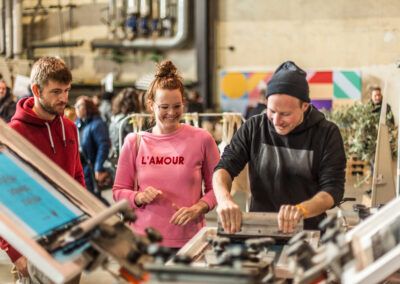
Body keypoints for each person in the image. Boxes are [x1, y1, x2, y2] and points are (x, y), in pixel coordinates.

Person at [213, 61, 346, 234]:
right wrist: (224, 199)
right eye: (272, 111)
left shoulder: (326, 133)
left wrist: (301, 210)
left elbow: (333, 189)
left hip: (308, 231)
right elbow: (224, 167)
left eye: (285, 114)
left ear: (304, 106)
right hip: (260, 229)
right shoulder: (254, 127)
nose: (276, 121)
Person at [113, 60, 220, 249]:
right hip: (143, 241)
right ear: (150, 105)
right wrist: (138, 197)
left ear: (184, 104)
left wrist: (198, 208)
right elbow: (118, 191)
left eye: (177, 106)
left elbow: (218, 189)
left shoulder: (202, 139)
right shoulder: (134, 142)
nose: (171, 113)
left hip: (189, 242)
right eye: (164, 107)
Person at [2, 56, 85, 282]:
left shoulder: (69, 127)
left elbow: (77, 177)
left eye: (67, 91)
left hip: (69, 241)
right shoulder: (14, 135)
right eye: (57, 92)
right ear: (37, 90)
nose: (64, 99)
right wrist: (15, 253)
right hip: (32, 245)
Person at [75, 96, 111, 196]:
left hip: (91, 168)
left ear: (88, 107)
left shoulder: (97, 124)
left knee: (93, 197)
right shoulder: (79, 124)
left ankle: (111, 211)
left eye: (79, 106)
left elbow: (103, 145)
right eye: (75, 106)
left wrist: (98, 168)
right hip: (82, 168)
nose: (76, 109)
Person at [109, 88, 141, 158]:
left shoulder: (114, 117)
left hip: (115, 155)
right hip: (126, 156)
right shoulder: (129, 119)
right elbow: (137, 141)